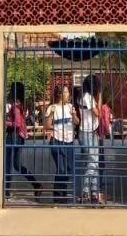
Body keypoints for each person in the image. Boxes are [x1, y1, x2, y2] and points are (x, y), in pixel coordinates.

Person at [5, 82, 42, 199]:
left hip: (13, 136)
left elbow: (17, 123)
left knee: (8, 165)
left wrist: (5, 122)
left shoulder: (16, 106)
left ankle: (6, 191)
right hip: (19, 136)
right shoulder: (21, 105)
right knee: (17, 165)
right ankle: (36, 184)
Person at [44, 85, 77, 204]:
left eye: (68, 92)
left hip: (69, 141)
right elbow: (47, 125)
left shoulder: (70, 107)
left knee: (68, 168)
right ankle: (58, 196)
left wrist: (73, 115)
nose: (69, 94)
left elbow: (77, 122)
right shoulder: (52, 108)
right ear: (60, 94)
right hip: (57, 140)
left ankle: (63, 191)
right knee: (61, 168)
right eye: (66, 92)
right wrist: (55, 122)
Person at [79, 75, 103, 205]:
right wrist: (99, 99)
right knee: (93, 161)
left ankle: (94, 190)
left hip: (92, 131)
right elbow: (97, 113)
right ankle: (85, 191)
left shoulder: (88, 96)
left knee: (95, 162)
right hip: (87, 132)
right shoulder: (87, 97)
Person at [98, 89, 113, 202]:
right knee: (100, 162)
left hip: (96, 134)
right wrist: (108, 131)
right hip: (101, 135)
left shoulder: (100, 107)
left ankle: (97, 185)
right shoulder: (106, 108)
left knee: (96, 160)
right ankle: (98, 186)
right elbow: (106, 122)